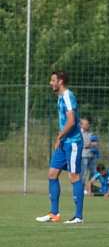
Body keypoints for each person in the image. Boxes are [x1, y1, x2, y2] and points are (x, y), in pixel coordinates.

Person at [36, 70, 85, 224]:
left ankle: (78, 217)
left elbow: (71, 121)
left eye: (53, 80)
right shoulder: (60, 97)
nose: (51, 83)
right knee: (52, 174)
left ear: (60, 81)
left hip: (73, 142)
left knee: (73, 176)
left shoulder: (68, 96)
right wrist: (61, 136)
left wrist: (59, 136)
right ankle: (54, 213)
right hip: (64, 142)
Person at [80, 117, 99, 188]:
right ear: (82, 125)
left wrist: (91, 144)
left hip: (91, 155)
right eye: (86, 124)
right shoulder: (79, 133)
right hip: (83, 155)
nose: (88, 125)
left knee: (93, 172)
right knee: (83, 173)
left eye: (88, 124)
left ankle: (90, 187)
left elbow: (95, 143)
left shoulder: (92, 133)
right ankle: (81, 188)